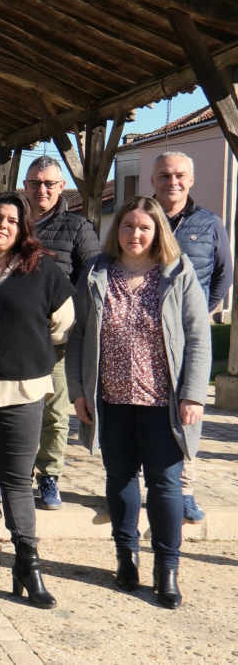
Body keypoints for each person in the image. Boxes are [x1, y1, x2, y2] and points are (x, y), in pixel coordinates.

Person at [68, 196, 210, 608]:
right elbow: (79, 335)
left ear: (157, 231)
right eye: (128, 226)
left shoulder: (177, 272)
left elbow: (198, 335)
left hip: (163, 403)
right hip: (110, 400)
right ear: (118, 230)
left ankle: (167, 567)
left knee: (165, 485)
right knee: (120, 478)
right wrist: (78, 391)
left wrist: (193, 394)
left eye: (144, 227)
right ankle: (125, 555)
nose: (135, 234)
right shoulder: (97, 272)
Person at [0, 192, 74, 609]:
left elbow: (63, 325)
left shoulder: (42, 269)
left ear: (23, 228)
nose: (2, 224)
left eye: (12, 219)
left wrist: (26, 347)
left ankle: (28, 563)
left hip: (22, 393)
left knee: (17, 479)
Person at [150, 151, 233, 525]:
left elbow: (223, 275)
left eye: (180, 175)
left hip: (186, 337)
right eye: (165, 175)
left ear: (191, 180)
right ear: (153, 180)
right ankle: (133, 485)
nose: (173, 181)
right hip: (141, 332)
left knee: (187, 411)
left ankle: (184, 489)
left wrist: (200, 313)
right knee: (138, 412)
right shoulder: (139, 218)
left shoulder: (210, 223)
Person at [22, 155, 102, 512]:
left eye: (49, 183)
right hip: (16, 335)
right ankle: (17, 474)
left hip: (57, 339)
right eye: (35, 183)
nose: (42, 189)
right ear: (25, 186)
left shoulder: (78, 227)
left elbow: (94, 278)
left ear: (61, 187)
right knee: (17, 411)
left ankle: (49, 475)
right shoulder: (13, 222)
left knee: (54, 413)